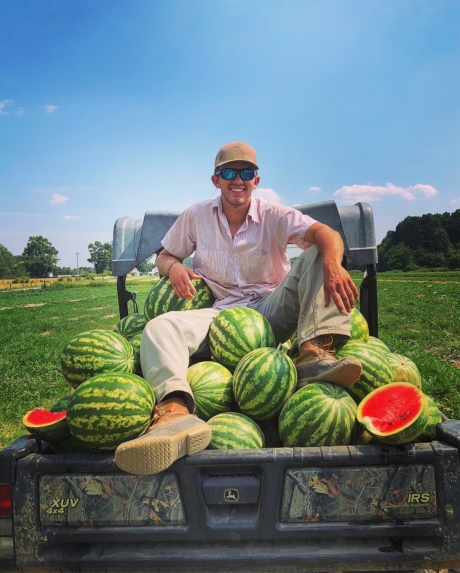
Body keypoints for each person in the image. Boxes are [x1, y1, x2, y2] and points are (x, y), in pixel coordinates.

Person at [115, 141, 362, 475]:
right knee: (159, 327)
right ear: (216, 179)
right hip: (221, 314)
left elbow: (325, 233)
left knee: (319, 251)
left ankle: (314, 352)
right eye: (228, 172)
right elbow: (165, 255)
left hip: (272, 309)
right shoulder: (196, 215)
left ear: (256, 181)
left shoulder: (275, 214)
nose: (238, 179)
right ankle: (175, 410)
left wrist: (334, 263)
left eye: (247, 172)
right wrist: (172, 267)